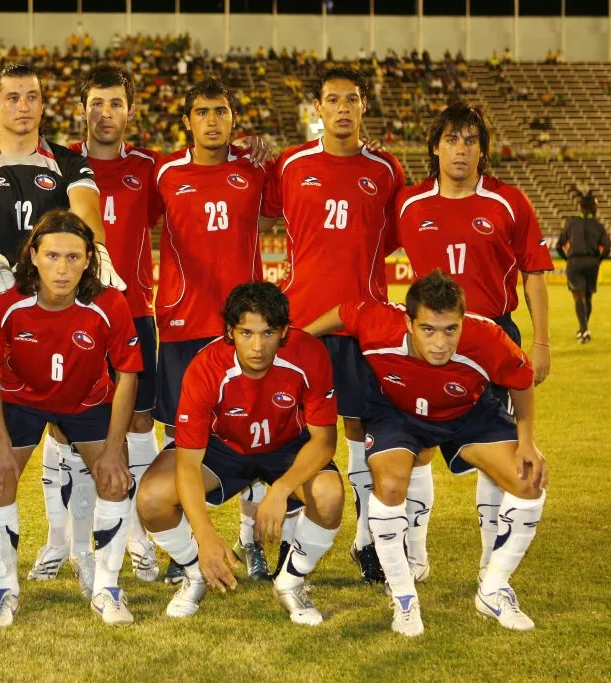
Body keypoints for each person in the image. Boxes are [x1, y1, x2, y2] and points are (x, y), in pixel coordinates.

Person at [0, 63, 125, 598]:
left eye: (32, 97)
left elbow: (86, 206)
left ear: (42, 104)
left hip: (61, 310)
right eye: (12, 97)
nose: (22, 106)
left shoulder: (67, 161)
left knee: (77, 426)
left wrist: (96, 247)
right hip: (2, 307)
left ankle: (82, 554)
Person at [304, 271, 548, 636]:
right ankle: (404, 598)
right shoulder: (379, 322)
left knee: (529, 483)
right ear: (408, 322)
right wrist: (300, 338)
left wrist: (526, 440)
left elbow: (522, 379)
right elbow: (343, 311)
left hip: (468, 413)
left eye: (450, 329)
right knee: (388, 486)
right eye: (428, 330)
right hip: (397, 414)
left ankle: (494, 588)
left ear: (462, 322)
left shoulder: (487, 337)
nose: (440, 342)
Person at [396, 102, 553, 580]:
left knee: (493, 447)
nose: (460, 149)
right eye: (450, 140)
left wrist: (542, 342)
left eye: (469, 140)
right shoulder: (408, 203)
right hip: (429, 340)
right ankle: (416, 554)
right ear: (435, 148)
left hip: (491, 338)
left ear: (483, 150)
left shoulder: (509, 201)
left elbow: (534, 274)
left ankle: (490, 558)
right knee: (417, 445)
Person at [20, 65, 163, 585]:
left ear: (130, 109)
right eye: (97, 103)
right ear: (82, 109)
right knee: (63, 426)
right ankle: (64, 543)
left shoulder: (151, 168)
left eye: (116, 103)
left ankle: (140, 538)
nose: (107, 113)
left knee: (140, 425)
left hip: (134, 312)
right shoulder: (56, 166)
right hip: (69, 315)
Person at [268, 67, 406, 585]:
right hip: (301, 323)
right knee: (293, 431)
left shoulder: (387, 169)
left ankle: (367, 541)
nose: (342, 108)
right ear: (318, 109)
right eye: (333, 100)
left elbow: (392, 234)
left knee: (362, 431)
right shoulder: (290, 164)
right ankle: (286, 541)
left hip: (364, 325)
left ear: (364, 107)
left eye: (352, 99)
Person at [137, 282, 343, 625]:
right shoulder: (206, 367)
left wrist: (281, 489)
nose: (258, 346)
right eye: (246, 333)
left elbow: (323, 440)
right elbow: (188, 463)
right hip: (224, 447)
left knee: (329, 496)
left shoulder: (309, 354)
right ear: (230, 331)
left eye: (268, 333)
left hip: (287, 446)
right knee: (151, 498)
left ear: (285, 332)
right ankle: (195, 574)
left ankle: (291, 582)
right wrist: (205, 537)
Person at [0, 210, 141, 627]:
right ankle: (3, 590)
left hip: (87, 401)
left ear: (89, 259)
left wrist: (115, 448)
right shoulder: (5, 302)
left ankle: (107, 589)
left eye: (72, 257)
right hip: (22, 399)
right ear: (33, 255)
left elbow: (128, 374)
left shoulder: (109, 303)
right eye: (51, 256)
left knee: (115, 479)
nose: (61, 268)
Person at [153, 78, 279, 584]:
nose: (211, 120)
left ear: (233, 119)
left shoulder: (255, 169)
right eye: (201, 111)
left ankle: (251, 542)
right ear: (187, 120)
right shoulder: (165, 172)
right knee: (180, 437)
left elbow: (274, 219)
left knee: (250, 431)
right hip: (183, 325)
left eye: (221, 111)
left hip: (244, 328)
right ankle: (182, 548)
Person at [556, 190, 609, 342]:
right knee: (588, 297)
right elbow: (607, 247)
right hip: (592, 263)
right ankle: (583, 329)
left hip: (575, 262)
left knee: (578, 297)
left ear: (580, 207)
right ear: (593, 207)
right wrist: (598, 260)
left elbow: (559, 245)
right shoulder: (598, 225)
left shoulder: (571, 223)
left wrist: (568, 259)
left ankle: (584, 330)